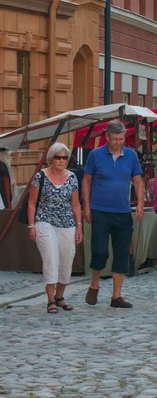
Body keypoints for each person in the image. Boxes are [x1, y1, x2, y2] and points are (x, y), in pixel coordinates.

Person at [83, 120, 144, 308]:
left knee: (121, 254)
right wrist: (87, 206)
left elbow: (138, 181)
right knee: (100, 251)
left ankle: (116, 296)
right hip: (100, 210)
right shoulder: (95, 155)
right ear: (107, 137)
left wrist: (140, 203)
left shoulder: (131, 155)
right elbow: (86, 181)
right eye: (115, 139)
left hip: (123, 211)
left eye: (121, 139)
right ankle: (94, 285)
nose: (119, 142)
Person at [27, 143, 83, 314]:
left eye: (64, 158)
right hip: (45, 221)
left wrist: (79, 226)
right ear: (51, 158)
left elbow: (75, 204)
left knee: (67, 259)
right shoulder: (40, 176)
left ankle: (60, 296)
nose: (61, 161)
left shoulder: (72, 177)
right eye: (58, 157)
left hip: (67, 223)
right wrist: (31, 225)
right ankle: (50, 299)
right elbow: (31, 203)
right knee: (51, 258)